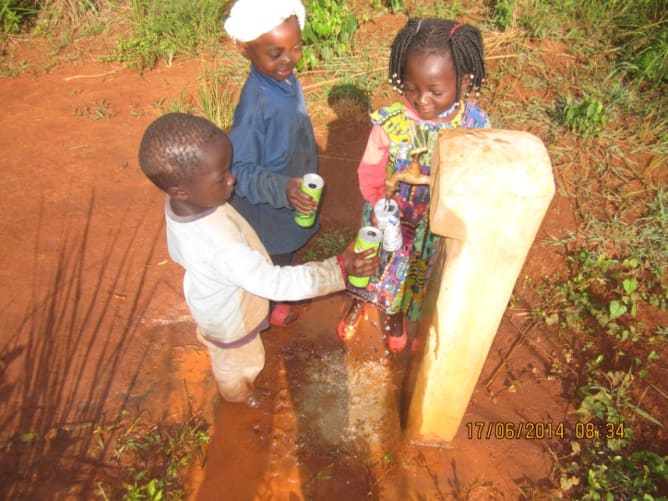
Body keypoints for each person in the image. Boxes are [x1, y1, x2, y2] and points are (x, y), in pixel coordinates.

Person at [138, 112, 379, 406]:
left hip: (215, 295)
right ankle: (238, 393)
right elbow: (277, 284)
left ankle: (235, 382)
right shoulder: (221, 247)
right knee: (237, 360)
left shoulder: (184, 202)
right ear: (181, 189)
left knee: (227, 351)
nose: (232, 179)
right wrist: (339, 269)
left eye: (228, 168)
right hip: (231, 322)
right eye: (221, 176)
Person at [337, 18, 491, 354]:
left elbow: (476, 172)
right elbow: (371, 169)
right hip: (390, 213)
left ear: (463, 80)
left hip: (431, 224)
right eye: (411, 88)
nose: (421, 100)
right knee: (374, 266)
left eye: (436, 91)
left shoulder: (473, 125)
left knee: (414, 275)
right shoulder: (391, 123)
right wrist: (379, 203)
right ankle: (360, 302)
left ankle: (396, 318)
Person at [224, 0, 317, 328]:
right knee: (271, 257)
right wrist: (284, 188)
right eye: (275, 53)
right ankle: (269, 303)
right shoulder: (255, 106)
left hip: (290, 185)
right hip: (270, 204)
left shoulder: (284, 79)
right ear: (244, 49)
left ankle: (279, 289)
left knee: (284, 250)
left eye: (295, 47)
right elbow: (241, 170)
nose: (289, 59)